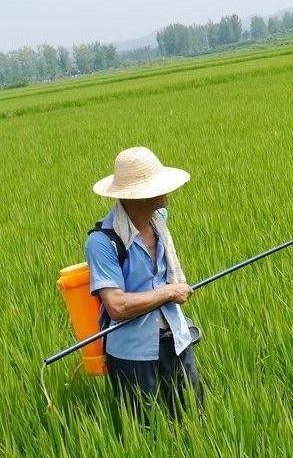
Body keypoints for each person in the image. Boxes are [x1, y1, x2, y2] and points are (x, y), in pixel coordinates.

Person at [85, 146, 204, 424]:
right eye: (157, 186)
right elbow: (116, 305)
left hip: (176, 339)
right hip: (133, 355)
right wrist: (168, 292)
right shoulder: (102, 242)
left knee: (195, 420)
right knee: (148, 431)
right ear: (137, 196)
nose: (167, 191)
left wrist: (171, 290)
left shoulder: (159, 220)